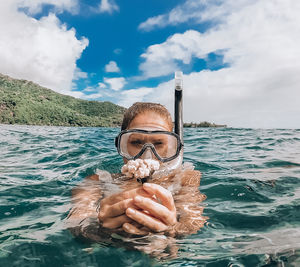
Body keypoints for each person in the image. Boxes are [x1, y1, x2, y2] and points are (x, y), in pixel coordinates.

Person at [67, 102, 206, 249]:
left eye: (159, 143)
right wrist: (100, 228)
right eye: (136, 142)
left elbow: (194, 222)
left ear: (173, 148)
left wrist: (171, 230)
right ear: (122, 145)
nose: (147, 155)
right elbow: (76, 222)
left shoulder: (185, 178)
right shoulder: (97, 181)